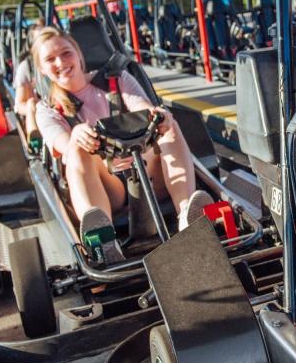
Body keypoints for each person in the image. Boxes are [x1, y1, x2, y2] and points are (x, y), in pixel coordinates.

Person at [32, 26, 211, 238]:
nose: (61, 63)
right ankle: (102, 239)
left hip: (147, 173)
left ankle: (186, 216)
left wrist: (159, 117)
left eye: (66, 53)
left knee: (169, 127)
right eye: (50, 59)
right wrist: (77, 136)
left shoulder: (117, 80)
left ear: (78, 54)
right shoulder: (47, 109)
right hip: (106, 187)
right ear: (42, 69)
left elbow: (143, 109)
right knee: (76, 147)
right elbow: (62, 145)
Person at [13, 18, 45, 151]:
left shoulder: (63, 61)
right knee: (31, 102)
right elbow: (19, 105)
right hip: (40, 108)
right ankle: (34, 141)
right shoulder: (26, 66)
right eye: (40, 39)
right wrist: (34, 107)